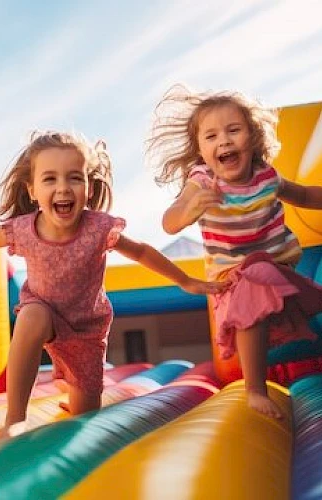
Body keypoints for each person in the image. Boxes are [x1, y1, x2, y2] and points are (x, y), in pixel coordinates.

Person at [0, 131, 227, 438]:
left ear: (88, 188)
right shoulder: (23, 229)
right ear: (32, 190)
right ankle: (15, 419)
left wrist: (184, 280)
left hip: (86, 331)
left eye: (74, 177)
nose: (63, 187)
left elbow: (141, 251)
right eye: (50, 178)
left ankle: (76, 395)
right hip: (43, 314)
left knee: (85, 415)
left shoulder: (99, 228)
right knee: (32, 314)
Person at [148, 84, 322, 419]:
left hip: (280, 269)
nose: (224, 141)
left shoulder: (267, 176)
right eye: (211, 136)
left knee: (276, 288)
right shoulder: (202, 179)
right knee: (252, 293)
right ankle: (254, 390)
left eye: (234, 130)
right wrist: (189, 210)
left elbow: (304, 195)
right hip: (232, 277)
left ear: (253, 137)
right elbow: (170, 222)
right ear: (200, 149)